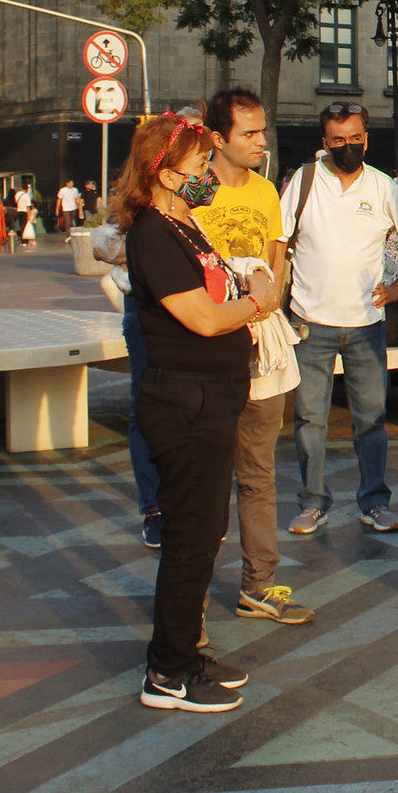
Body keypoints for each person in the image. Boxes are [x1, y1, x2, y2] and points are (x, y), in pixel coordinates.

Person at [116, 108, 279, 713]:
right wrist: (257, 305)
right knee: (190, 537)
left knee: (205, 531)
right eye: (197, 162)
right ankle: (168, 672)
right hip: (182, 401)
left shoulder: (184, 224)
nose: (207, 170)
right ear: (164, 170)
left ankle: (182, 649)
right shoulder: (152, 234)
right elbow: (205, 317)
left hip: (212, 398)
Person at [187, 89, 313, 627]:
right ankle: (187, 594)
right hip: (206, 353)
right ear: (218, 139)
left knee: (259, 474)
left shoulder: (267, 191)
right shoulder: (193, 189)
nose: (262, 142)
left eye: (264, 131)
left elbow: (276, 257)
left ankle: (259, 584)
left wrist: (269, 305)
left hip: (262, 349)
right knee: (205, 480)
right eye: (250, 134)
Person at [281, 102, 398, 537]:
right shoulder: (305, 181)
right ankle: (312, 503)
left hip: (366, 324)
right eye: (338, 140)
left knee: (372, 418)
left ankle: (375, 502)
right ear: (324, 143)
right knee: (310, 418)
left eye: (356, 138)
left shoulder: (383, 186)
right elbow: (279, 237)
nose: (348, 146)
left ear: (367, 138)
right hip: (311, 321)